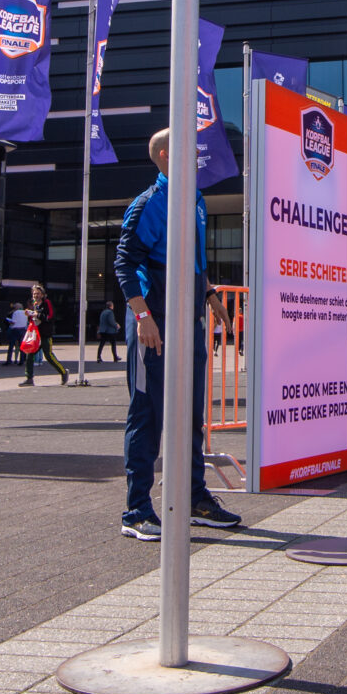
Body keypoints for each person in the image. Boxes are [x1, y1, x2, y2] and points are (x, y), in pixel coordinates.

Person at [116, 129, 240, 541]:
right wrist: (143, 316)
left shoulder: (196, 200)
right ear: (168, 155)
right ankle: (136, 510)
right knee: (148, 415)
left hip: (189, 325)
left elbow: (193, 259)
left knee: (189, 416)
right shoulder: (151, 202)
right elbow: (125, 262)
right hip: (155, 327)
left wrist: (209, 294)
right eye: (190, 147)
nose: (198, 154)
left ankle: (194, 499)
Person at [20, 284, 69, 386]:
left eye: (38, 293)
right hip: (35, 334)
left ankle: (63, 372)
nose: (35, 295)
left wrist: (37, 315)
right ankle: (29, 378)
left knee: (49, 355)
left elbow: (50, 317)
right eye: (34, 293)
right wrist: (30, 315)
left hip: (45, 334)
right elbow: (33, 319)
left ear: (42, 294)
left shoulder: (47, 303)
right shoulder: (34, 304)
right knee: (30, 354)